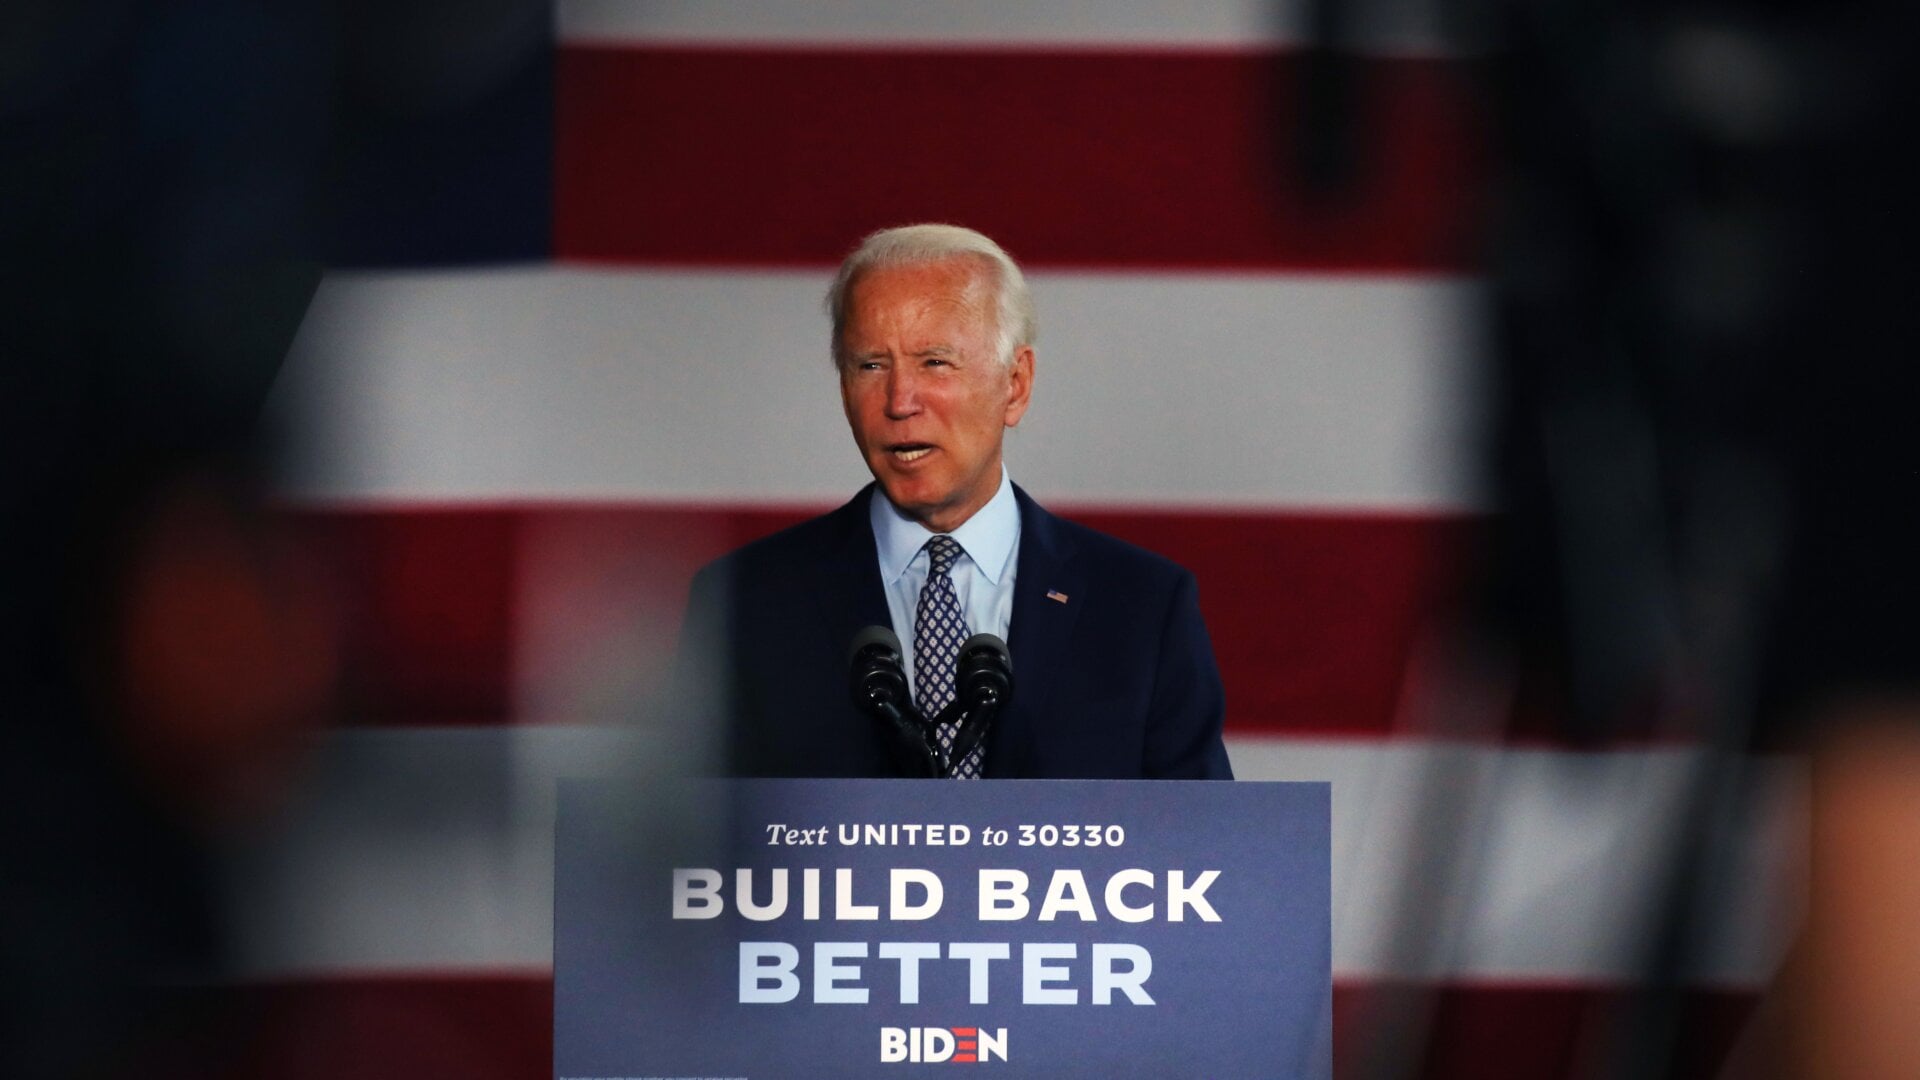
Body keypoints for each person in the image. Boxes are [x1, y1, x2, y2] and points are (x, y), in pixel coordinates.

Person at [677, 224, 1231, 779]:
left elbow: (1207, 852)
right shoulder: (741, 605)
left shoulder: (1142, 608)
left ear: (1015, 384)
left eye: (934, 362)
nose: (899, 401)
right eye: (871, 364)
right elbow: (679, 847)